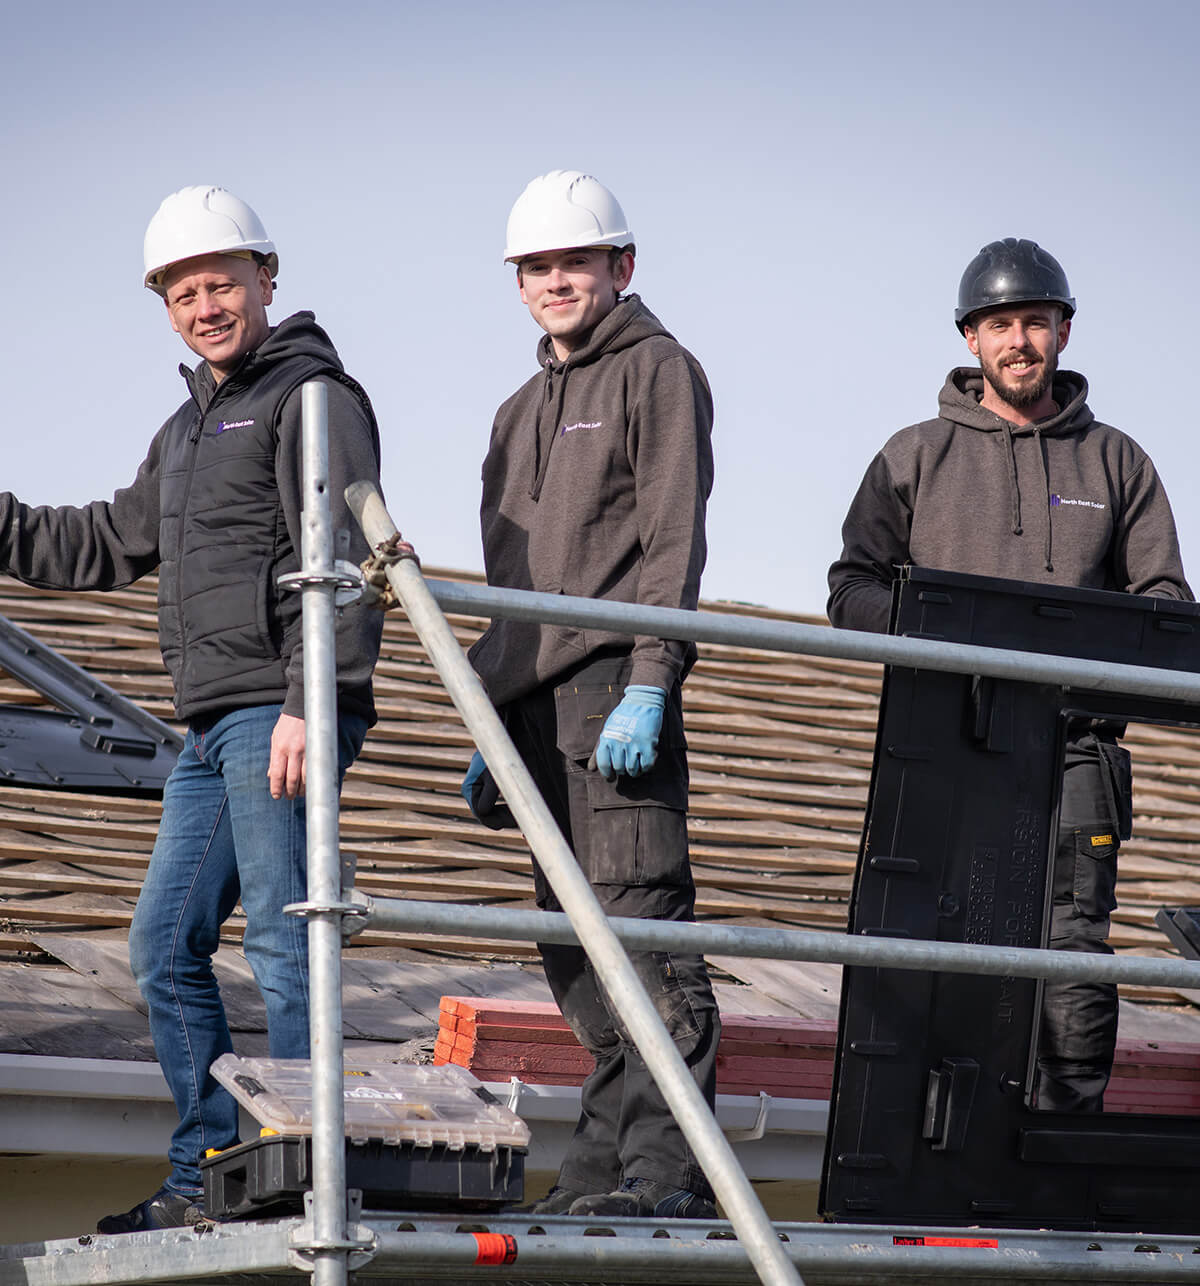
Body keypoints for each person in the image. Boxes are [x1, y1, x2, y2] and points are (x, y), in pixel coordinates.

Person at [0, 186, 384, 1230]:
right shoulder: (188, 428)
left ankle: (310, 1165)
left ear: (267, 278)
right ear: (164, 306)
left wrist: (314, 698)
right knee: (162, 945)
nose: (204, 305)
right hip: (212, 726)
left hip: (281, 706)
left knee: (282, 937)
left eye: (221, 282)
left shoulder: (312, 397)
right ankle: (211, 1163)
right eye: (182, 292)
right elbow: (99, 542)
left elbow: (341, 559)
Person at [828, 237, 1192, 1112]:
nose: (1018, 340)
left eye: (1035, 321)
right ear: (969, 339)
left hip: (1077, 754)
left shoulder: (1118, 461)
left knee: (1070, 949)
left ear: (1065, 331)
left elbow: (1168, 606)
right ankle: (930, 1152)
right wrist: (945, 645)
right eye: (999, 324)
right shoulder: (913, 456)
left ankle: (1062, 1141)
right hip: (945, 745)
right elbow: (851, 588)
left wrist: (1079, 669)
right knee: (934, 945)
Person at [462, 170, 720, 1218]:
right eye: (538, 266)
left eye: (576, 260)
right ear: (517, 282)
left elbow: (672, 542)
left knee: (644, 940)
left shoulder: (658, 371)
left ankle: (662, 1173)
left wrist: (652, 679)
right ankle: (597, 1169)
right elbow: (505, 588)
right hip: (530, 708)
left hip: (616, 689)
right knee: (576, 957)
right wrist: (488, 716)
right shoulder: (515, 413)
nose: (556, 280)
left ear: (621, 265)